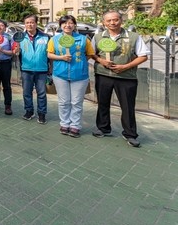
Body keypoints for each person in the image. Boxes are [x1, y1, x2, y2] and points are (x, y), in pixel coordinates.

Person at [92, 11, 149, 147]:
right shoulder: (98, 37)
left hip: (126, 77)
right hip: (103, 75)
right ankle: (103, 128)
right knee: (103, 103)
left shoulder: (133, 37)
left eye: (115, 20)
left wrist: (125, 66)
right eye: (109, 21)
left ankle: (130, 134)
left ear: (121, 20)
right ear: (103, 22)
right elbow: (92, 53)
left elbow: (143, 55)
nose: (112, 23)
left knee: (128, 106)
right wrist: (101, 60)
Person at [47, 15, 96, 137]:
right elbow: (50, 54)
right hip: (60, 75)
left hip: (80, 75)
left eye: (70, 23)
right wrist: (61, 58)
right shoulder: (54, 39)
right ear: (60, 25)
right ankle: (64, 123)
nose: (67, 25)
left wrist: (80, 62)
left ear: (74, 25)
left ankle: (75, 125)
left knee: (76, 102)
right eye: (64, 23)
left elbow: (90, 54)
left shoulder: (84, 39)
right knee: (63, 101)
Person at [13, 14, 50, 124]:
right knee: (27, 93)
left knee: (42, 93)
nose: (30, 24)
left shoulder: (45, 37)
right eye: (27, 22)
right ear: (24, 24)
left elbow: (50, 54)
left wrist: (50, 69)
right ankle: (29, 111)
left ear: (36, 23)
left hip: (42, 70)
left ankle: (42, 114)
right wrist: (16, 49)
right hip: (26, 69)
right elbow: (16, 53)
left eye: (32, 22)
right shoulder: (20, 37)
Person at [0, 20, 15, 115]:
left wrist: (3, 50)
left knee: (6, 85)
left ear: (5, 27)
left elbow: (13, 52)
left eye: (2, 25)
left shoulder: (9, 37)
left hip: (5, 63)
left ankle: (8, 105)